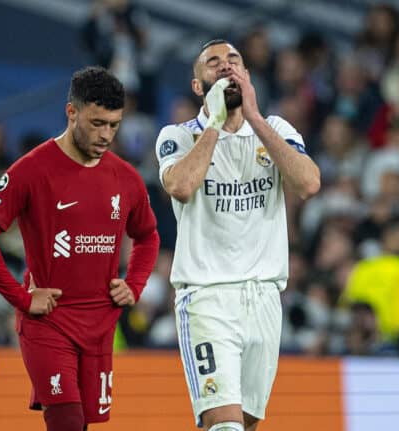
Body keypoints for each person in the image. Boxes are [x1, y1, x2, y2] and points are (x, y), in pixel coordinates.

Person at [0, 66, 160, 431]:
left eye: (114, 125)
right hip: (48, 323)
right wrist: (21, 299)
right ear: (71, 112)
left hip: (100, 325)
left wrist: (134, 283)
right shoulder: (31, 170)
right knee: (67, 422)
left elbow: (148, 236)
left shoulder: (126, 177)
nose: (106, 135)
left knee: (82, 424)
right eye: (97, 123)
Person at [155, 40, 320, 431]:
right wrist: (214, 123)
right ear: (198, 87)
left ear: (246, 75)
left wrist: (255, 118)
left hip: (263, 297)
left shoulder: (275, 130)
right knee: (223, 426)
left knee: (243, 425)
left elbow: (308, 183)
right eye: (213, 63)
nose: (225, 67)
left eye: (233, 61)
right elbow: (181, 185)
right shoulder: (177, 136)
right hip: (207, 298)